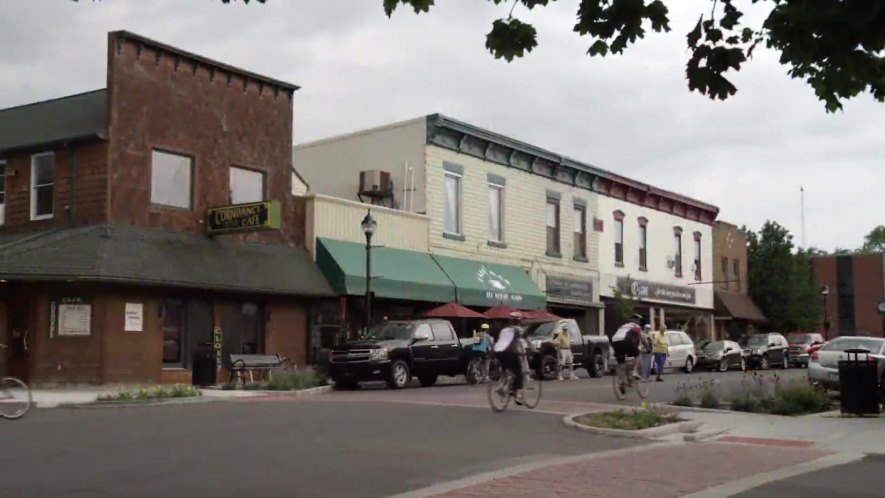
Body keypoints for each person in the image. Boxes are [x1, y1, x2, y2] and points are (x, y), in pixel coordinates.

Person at [493, 312, 525, 402]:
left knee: (507, 372)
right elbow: (521, 341)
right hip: (510, 352)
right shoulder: (518, 329)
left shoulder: (504, 329)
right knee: (519, 372)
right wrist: (531, 350)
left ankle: (503, 386)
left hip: (498, 352)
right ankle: (518, 394)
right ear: (519, 320)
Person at [610, 313, 643, 380]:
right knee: (637, 354)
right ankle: (634, 372)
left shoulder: (623, 326)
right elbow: (640, 339)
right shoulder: (636, 327)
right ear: (638, 321)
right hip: (626, 340)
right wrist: (644, 346)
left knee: (621, 361)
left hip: (615, 341)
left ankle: (621, 381)